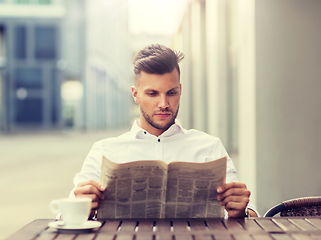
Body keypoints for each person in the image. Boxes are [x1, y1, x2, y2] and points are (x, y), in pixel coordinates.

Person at [70, 44, 259, 218]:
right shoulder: (105, 151)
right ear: (135, 94)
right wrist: (79, 206)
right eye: (152, 94)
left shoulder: (210, 147)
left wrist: (242, 210)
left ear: (180, 90)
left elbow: (250, 215)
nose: (164, 104)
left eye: (171, 92)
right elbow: (66, 217)